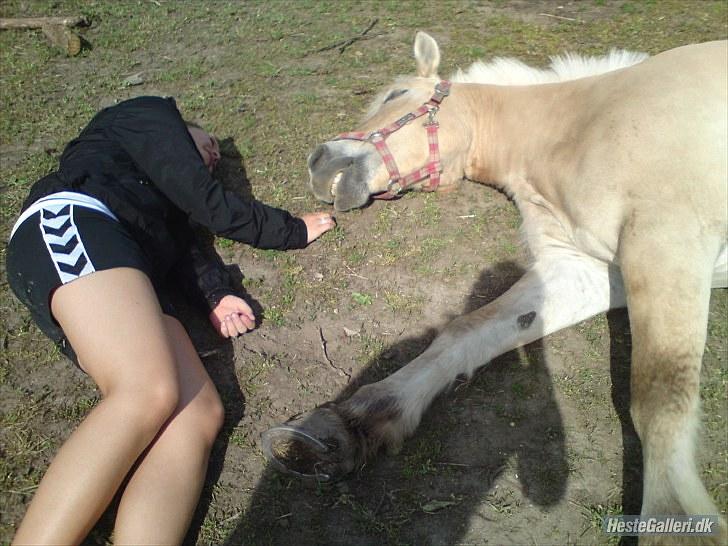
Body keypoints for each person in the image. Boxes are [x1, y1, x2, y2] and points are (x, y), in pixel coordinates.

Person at [6, 95, 335, 545]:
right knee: (145, 389)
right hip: (70, 222)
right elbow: (205, 198)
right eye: (209, 142)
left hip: (122, 258)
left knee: (196, 413)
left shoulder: (162, 206)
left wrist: (217, 294)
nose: (214, 154)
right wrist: (291, 229)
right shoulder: (144, 115)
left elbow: (184, 246)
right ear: (183, 129)